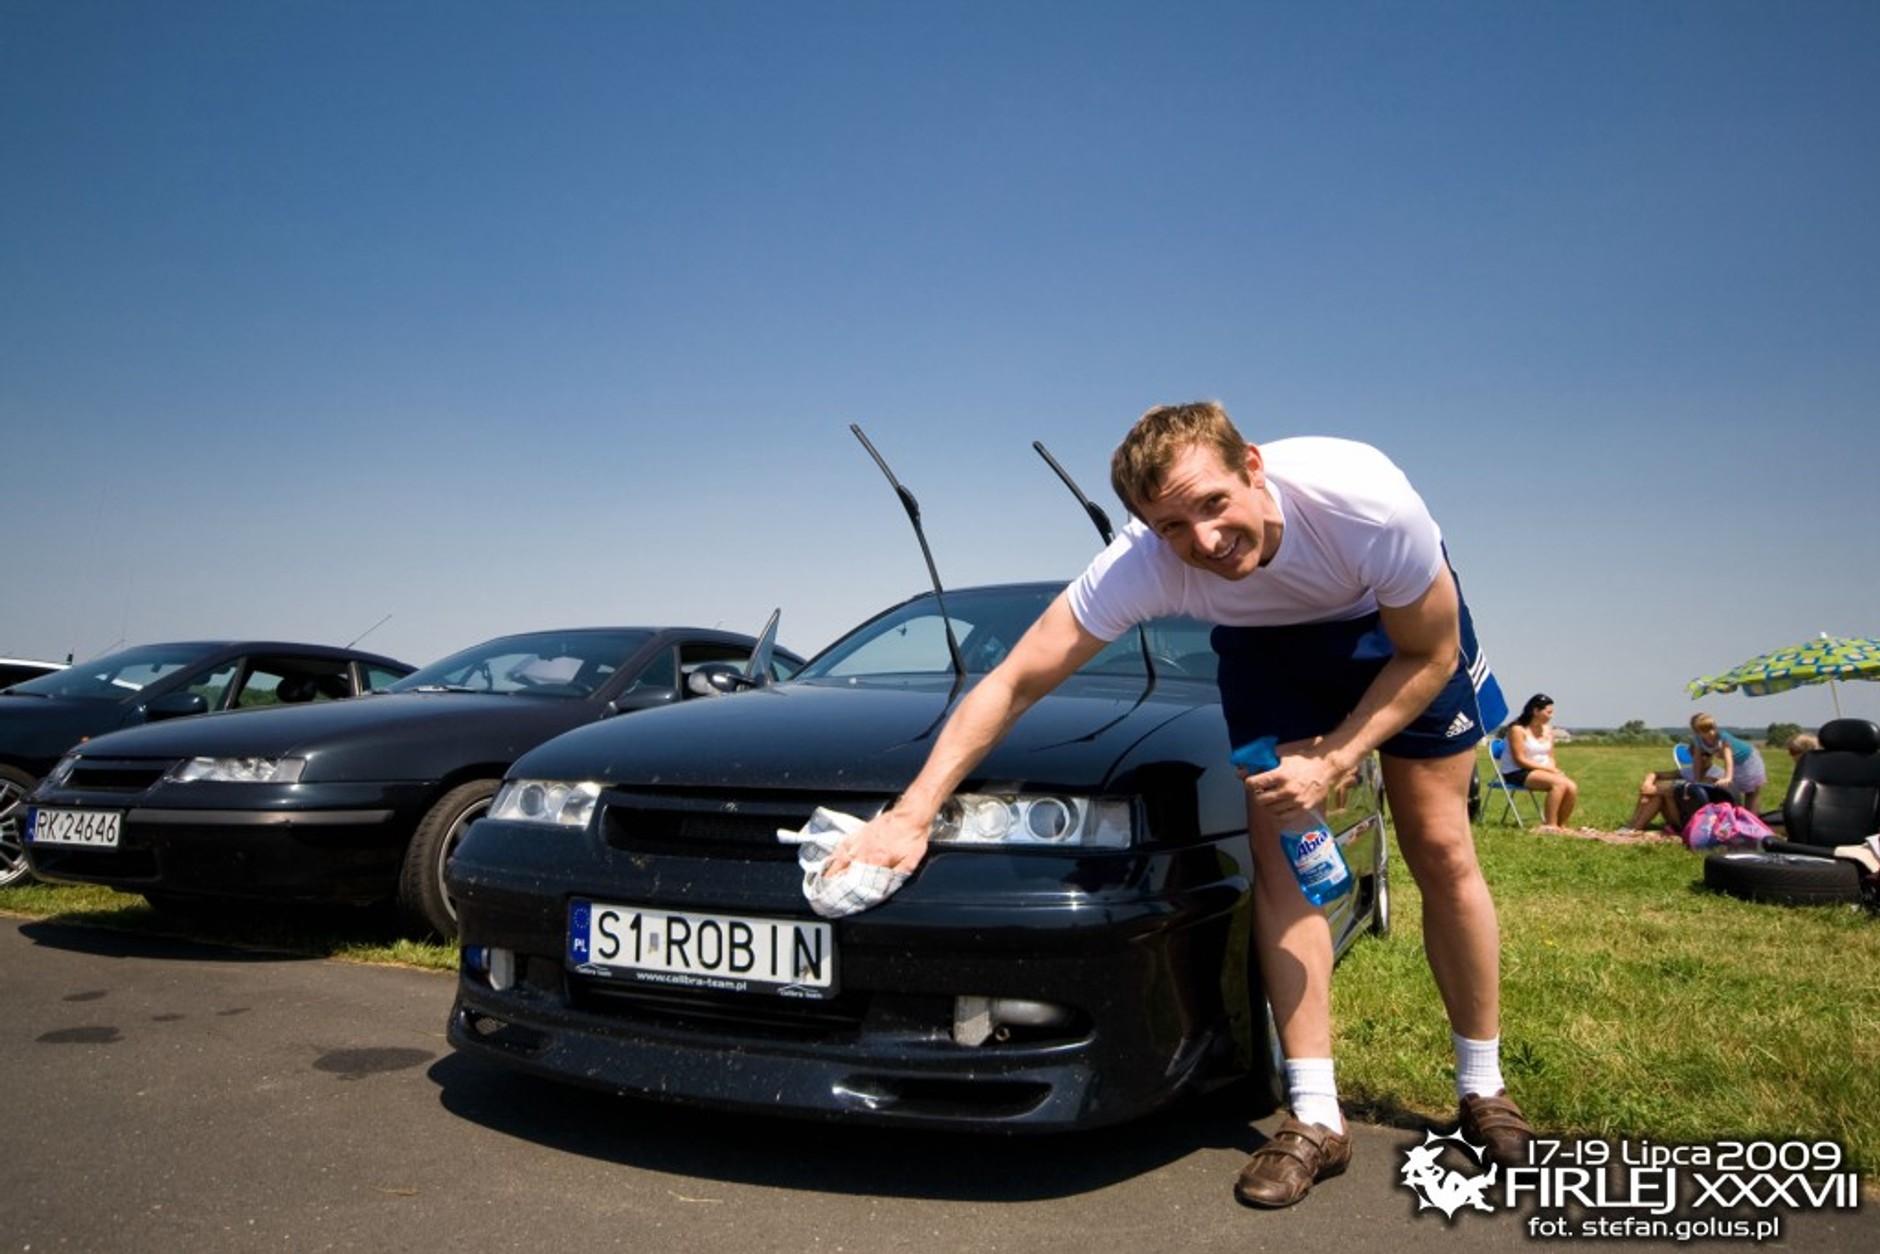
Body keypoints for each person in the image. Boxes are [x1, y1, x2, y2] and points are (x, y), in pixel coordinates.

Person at [824, 401, 1533, 1207]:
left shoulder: (1364, 502)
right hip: (1268, 652)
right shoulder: (1144, 565)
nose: (1202, 541)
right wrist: (913, 812)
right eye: (1168, 525)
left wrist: (1337, 754)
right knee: (1284, 868)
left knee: (1439, 847)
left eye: (1212, 503)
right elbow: (1014, 681)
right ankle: (1315, 1117)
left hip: (1392, 634)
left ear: (1253, 467)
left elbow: (1430, 650)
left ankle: (1483, 1087)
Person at [1499, 694, 1581, 833]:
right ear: (1536, 711)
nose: (1552, 715)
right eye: (1548, 712)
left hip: (1541, 771)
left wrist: (1553, 769)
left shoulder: (1548, 730)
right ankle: (1550, 825)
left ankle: (1562, 826)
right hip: (1517, 771)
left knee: (1572, 787)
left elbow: (1551, 756)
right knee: (1559, 784)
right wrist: (1549, 771)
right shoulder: (1517, 729)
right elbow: (1520, 760)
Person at [1690, 712, 1768, 813]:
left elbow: (1728, 758)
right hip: (1736, 764)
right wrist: (1697, 779)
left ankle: (1753, 819)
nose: (1711, 733)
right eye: (1705, 731)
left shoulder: (1723, 737)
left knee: (1751, 792)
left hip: (1749, 760)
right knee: (1735, 792)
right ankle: (1741, 817)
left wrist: (1728, 777)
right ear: (1698, 733)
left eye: (1712, 728)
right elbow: (1697, 760)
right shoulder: (1698, 741)